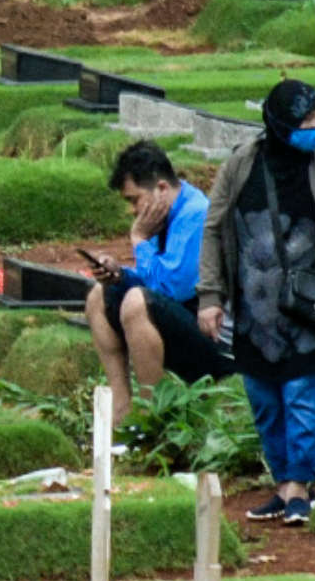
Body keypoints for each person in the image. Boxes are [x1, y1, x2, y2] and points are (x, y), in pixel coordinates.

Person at [195, 79, 315, 526]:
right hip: (254, 310)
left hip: (310, 308)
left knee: (300, 395)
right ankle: (282, 483)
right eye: (305, 120)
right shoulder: (242, 164)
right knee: (264, 398)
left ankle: (300, 484)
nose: (314, 128)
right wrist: (210, 298)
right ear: (278, 122)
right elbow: (214, 229)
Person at [83, 140, 221, 414]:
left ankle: (152, 415)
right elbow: (157, 279)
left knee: (136, 304)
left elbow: (169, 290)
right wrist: (120, 274)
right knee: (98, 296)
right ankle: (121, 408)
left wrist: (140, 239)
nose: (133, 210)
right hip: (183, 318)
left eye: (134, 200)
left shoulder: (196, 215)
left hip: (219, 342)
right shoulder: (164, 214)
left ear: (161, 188)